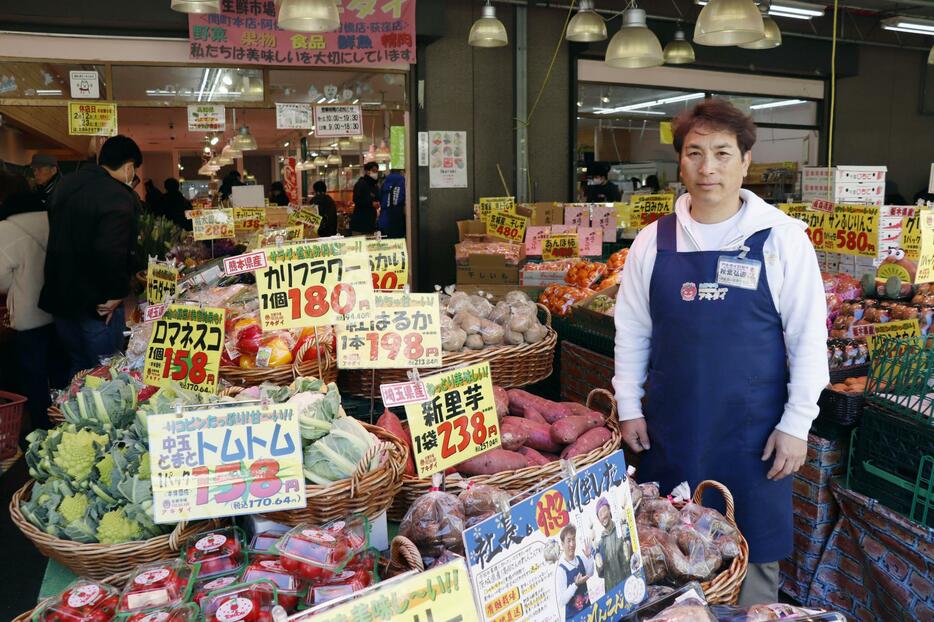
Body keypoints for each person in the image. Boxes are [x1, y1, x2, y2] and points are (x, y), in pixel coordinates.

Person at [612, 99, 828, 606]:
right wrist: (628, 407)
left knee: (750, 561)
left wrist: (797, 424)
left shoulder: (781, 239)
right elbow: (632, 331)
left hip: (753, 436)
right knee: (664, 549)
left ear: (746, 161)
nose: (708, 168)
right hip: (670, 427)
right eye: (694, 153)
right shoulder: (653, 241)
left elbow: (807, 339)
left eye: (722, 153)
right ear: (680, 161)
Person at [39, 135, 143, 380]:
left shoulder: (65, 185)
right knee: (107, 374)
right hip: (97, 304)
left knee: (78, 369)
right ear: (129, 166)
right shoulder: (117, 195)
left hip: (61, 298)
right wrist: (117, 292)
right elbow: (110, 250)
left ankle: (75, 416)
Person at [0, 171, 59, 430]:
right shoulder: (52, 217)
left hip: (28, 314)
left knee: (34, 376)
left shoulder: (6, 228)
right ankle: (67, 421)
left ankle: (43, 430)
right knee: (61, 372)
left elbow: (1, 279)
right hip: (61, 309)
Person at [554, 524, 593, 621]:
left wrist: (589, 557)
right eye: (568, 541)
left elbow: (590, 573)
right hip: (574, 618)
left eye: (573, 539)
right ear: (562, 544)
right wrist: (575, 585)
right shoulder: (561, 570)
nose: (572, 544)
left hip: (588, 612)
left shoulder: (580, 559)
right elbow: (561, 601)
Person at [593, 497, 632, 592]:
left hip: (628, 584)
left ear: (609, 509)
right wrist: (598, 562)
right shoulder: (600, 543)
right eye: (600, 515)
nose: (603, 517)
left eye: (604, 511)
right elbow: (601, 573)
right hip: (612, 591)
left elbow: (633, 555)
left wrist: (629, 540)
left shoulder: (622, 529)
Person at [350, 161, 380, 235]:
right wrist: (371, 203)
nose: (376, 173)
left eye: (377, 171)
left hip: (370, 224)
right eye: (374, 171)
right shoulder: (361, 184)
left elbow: (377, 197)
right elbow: (356, 199)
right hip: (360, 224)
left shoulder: (375, 186)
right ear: (367, 171)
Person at [378, 168, 406, 238]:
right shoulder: (403, 181)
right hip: (396, 220)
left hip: (384, 219)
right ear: (401, 171)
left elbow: (380, 198)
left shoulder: (385, 182)